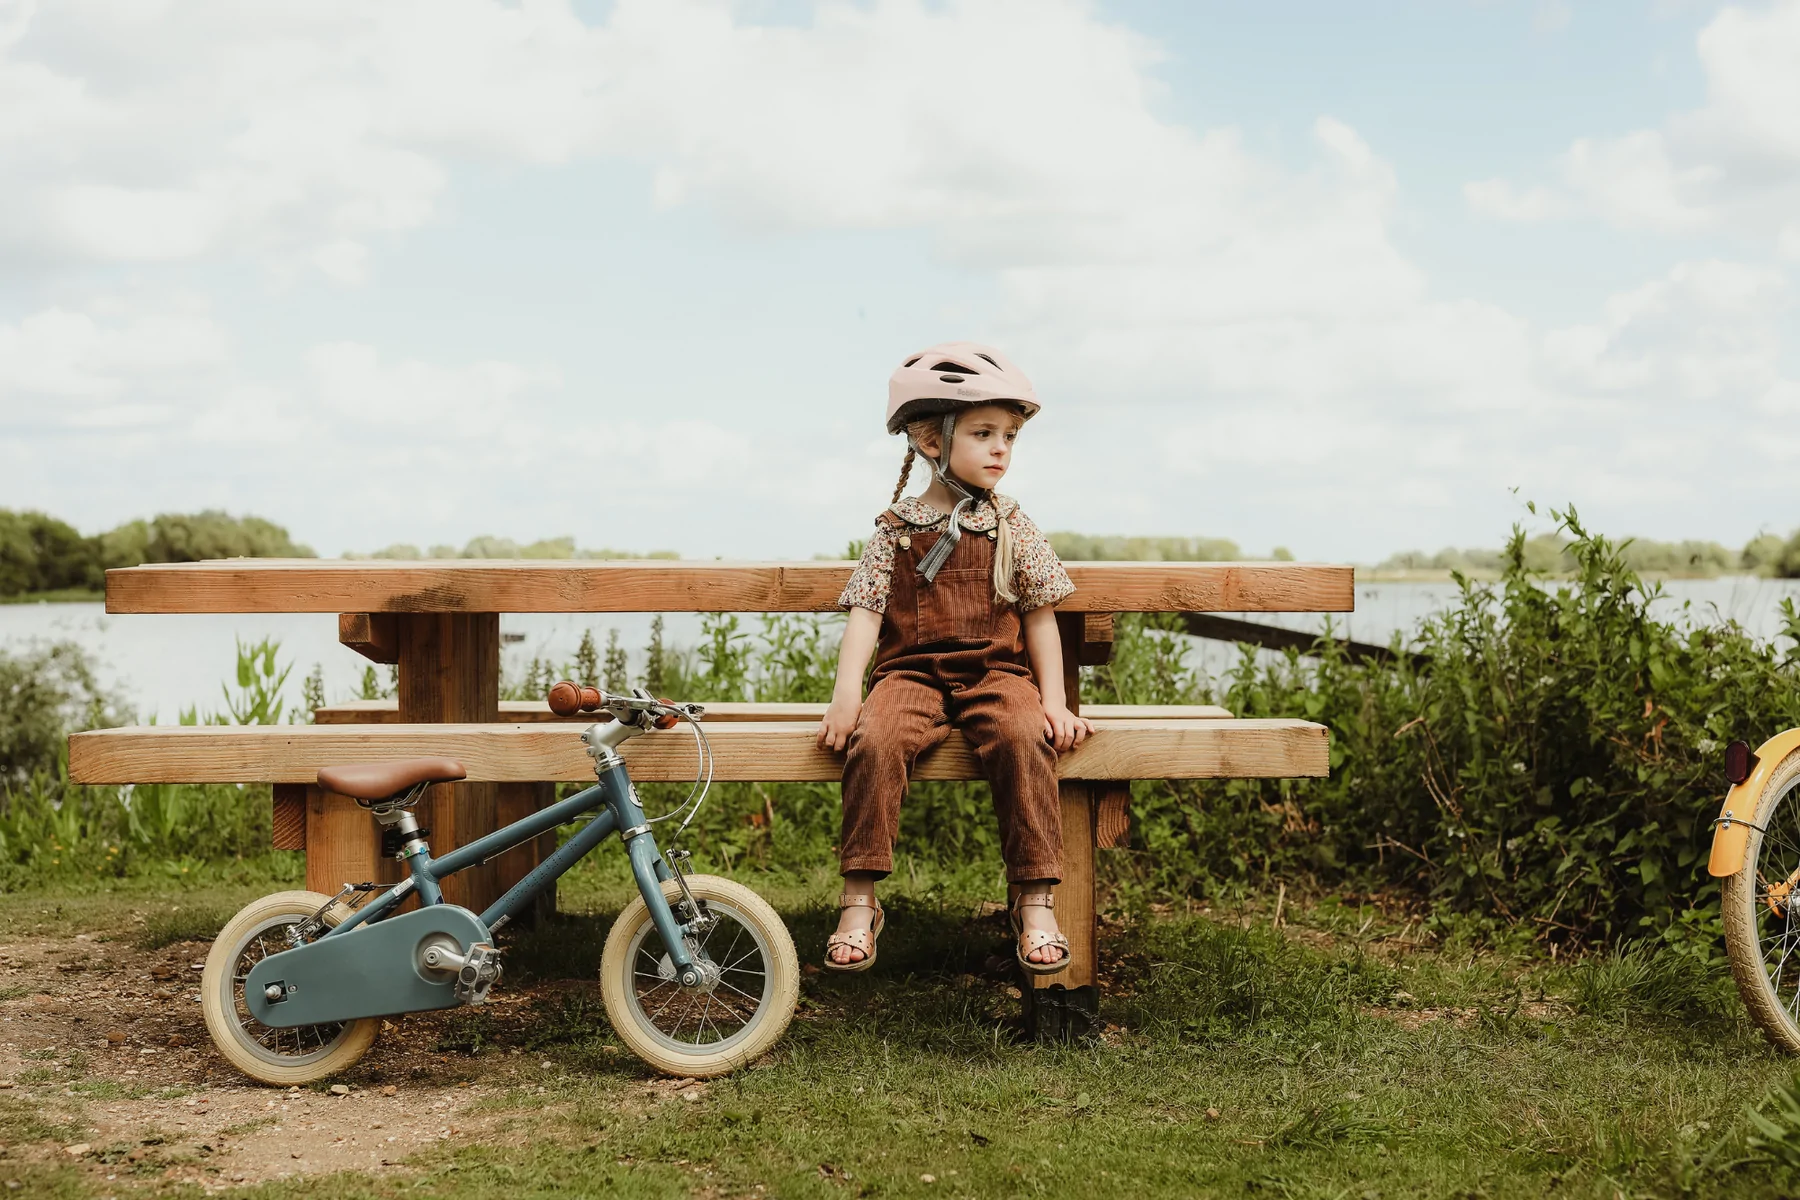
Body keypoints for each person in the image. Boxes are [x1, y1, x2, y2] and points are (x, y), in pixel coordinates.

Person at [817, 341, 1093, 974]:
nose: (1002, 449)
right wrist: (846, 696)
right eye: (983, 433)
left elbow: (1041, 612)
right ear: (931, 441)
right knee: (876, 740)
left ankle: (1035, 898)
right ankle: (859, 899)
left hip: (996, 674)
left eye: (1010, 436)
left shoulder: (1011, 523)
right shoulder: (897, 527)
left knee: (1026, 739)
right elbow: (865, 610)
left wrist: (1053, 701)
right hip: (910, 675)